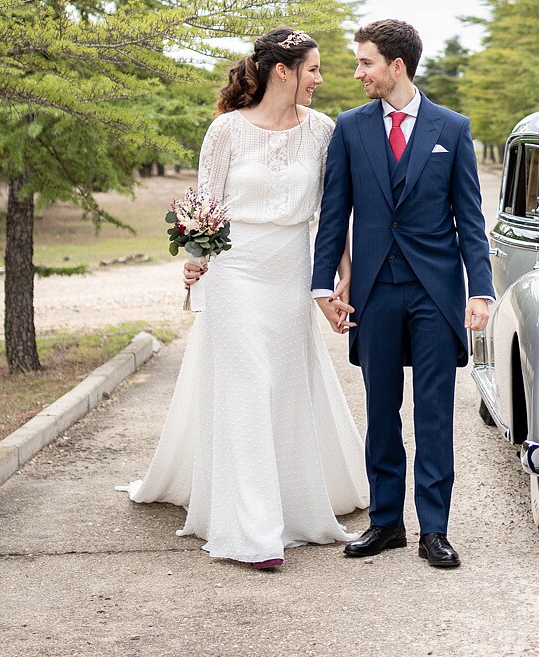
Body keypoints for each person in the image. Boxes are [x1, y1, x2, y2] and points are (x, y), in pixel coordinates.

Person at [122, 29, 370, 568]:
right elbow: (204, 205)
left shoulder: (323, 131)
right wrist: (194, 255)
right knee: (249, 385)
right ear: (283, 70)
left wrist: (339, 277)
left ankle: (292, 502)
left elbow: (333, 214)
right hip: (234, 269)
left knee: (281, 383)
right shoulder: (226, 130)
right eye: (313, 70)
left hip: (290, 270)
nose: (320, 79)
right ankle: (252, 532)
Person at [310, 19, 493, 570]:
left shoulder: (452, 128)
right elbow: (334, 213)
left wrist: (479, 291)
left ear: (397, 66)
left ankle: (434, 530)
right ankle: (386, 522)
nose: (357, 72)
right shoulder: (350, 127)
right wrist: (324, 284)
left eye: (366, 62)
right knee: (381, 411)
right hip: (374, 294)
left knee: (434, 414)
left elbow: (470, 219)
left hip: (435, 295)